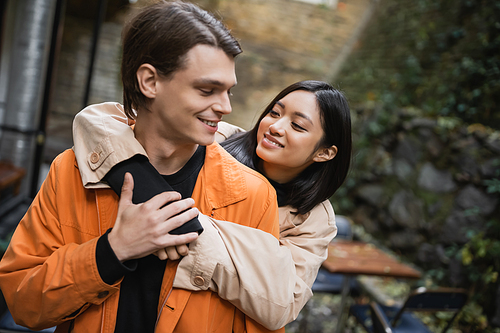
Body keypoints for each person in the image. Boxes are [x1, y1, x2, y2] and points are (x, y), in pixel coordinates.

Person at [0, 2, 281, 333]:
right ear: (149, 82)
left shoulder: (252, 196)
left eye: (228, 91)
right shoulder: (72, 172)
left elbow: (265, 318)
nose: (225, 106)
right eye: (207, 90)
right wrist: (113, 250)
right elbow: (24, 302)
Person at [71, 80, 352, 329]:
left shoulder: (313, 219)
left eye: (298, 125)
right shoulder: (214, 138)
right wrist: (144, 184)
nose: (275, 127)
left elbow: (281, 304)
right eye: (274, 112)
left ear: (325, 152)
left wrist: (186, 225)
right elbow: (98, 120)